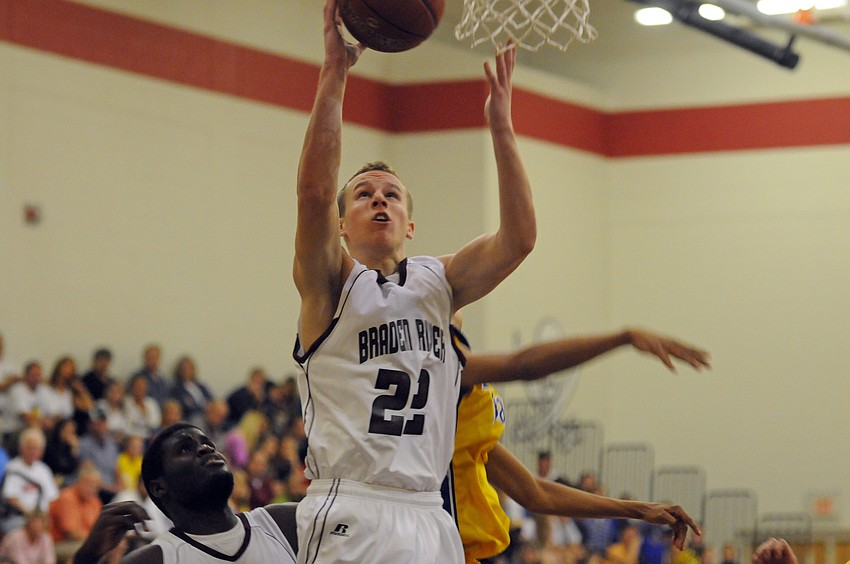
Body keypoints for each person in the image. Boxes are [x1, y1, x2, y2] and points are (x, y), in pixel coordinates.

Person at [292, 0, 535, 560]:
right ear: (342, 225)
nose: (378, 196)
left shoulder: (440, 282)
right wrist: (336, 71)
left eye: (391, 193)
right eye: (363, 193)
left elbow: (519, 238)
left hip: (430, 512)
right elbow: (310, 195)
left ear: (410, 222)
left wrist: (501, 127)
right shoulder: (329, 282)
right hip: (353, 504)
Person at [449, 325, 709, 563]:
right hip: (431, 540)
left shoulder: (453, 415)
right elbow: (521, 365)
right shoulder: (433, 362)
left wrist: (640, 509)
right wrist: (623, 337)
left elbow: (536, 493)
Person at [72, 423, 298, 564]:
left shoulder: (284, 522)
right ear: (159, 487)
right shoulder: (155, 559)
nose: (206, 448)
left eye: (208, 443)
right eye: (184, 449)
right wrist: (87, 558)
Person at [0, 428, 59, 535]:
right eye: (29, 447)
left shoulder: (44, 470)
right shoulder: (12, 468)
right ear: (21, 448)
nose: (33, 451)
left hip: (42, 518)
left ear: (41, 451)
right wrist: (32, 516)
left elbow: (52, 499)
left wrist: (43, 517)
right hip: (19, 517)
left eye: (36, 448)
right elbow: (11, 498)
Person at [48, 464, 103, 562]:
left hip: (85, 541)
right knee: (87, 549)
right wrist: (97, 541)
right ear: (78, 481)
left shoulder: (95, 501)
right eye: (88, 483)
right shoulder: (67, 498)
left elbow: (99, 528)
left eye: (95, 485)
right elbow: (71, 533)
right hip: (59, 543)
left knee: (116, 546)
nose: (92, 488)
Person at [168, 356, 214, 427]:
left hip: (208, 417)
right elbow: (183, 407)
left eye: (190, 368)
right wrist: (203, 409)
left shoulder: (201, 386)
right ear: (180, 371)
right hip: (191, 419)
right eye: (185, 368)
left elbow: (211, 400)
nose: (187, 371)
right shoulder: (176, 388)